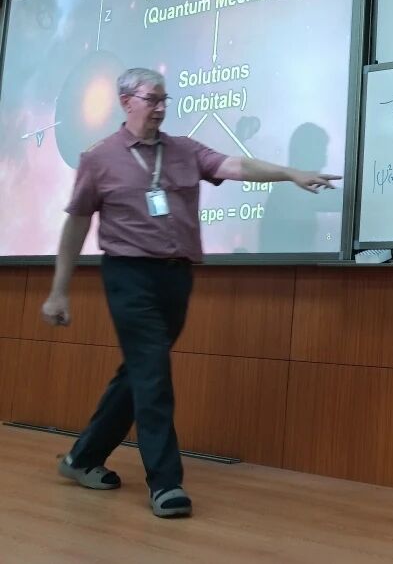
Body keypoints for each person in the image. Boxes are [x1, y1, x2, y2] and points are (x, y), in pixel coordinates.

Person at [40, 67, 339, 518]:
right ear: (126, 101)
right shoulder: (99, 157)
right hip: (128, 275)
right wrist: (58, 291)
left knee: (140, 373)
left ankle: (83, 458)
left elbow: (236, 166)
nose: (161, 107)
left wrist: (289, 172)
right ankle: (165, 484)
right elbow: (76, 223)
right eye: (152, 99)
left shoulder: (183, 150)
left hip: (176, 277)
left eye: (165, 100)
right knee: (153, 375)